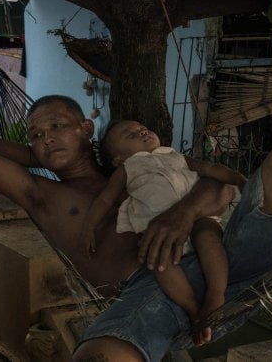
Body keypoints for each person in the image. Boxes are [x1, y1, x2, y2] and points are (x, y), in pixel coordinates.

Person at [0, 95, 272, 361]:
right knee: (99, 357)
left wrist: (183, 213)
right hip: (154, 294)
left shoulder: (138, 168)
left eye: (57, 126)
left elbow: (213, 182)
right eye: (36, 134)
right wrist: (41, 154)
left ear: (86, 129)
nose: (46, 137)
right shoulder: (43, 195)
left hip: (222, 258)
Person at [82, 120, 246, 345]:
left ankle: (216, 294)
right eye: (130, 135)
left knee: (210, 238)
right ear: (118, 158)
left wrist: (237, 179)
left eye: (142, 128)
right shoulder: (126, 168)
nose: (142, 132)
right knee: (159, 262)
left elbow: (210, 169)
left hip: (198, 218)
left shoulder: (175, 155)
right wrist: (90, 226)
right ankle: (193, 309)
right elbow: (104, 199)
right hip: (157, 233)